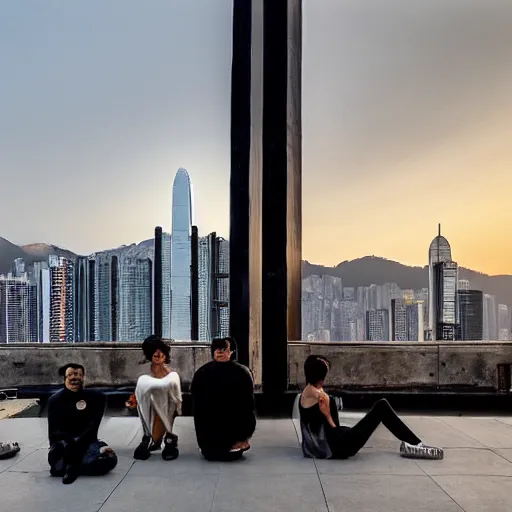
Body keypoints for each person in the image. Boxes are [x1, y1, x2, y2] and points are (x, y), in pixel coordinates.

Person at [299, 355, 444, 460]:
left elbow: (312, 426)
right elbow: (333, 430)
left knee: (356, 426)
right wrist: (329, 416)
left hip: (319, 448)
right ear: (321, 376)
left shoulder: (305, 393)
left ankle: (414, 443)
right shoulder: (322, 397)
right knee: (381, 406)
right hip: (339, 448)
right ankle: (417, 444)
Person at [47, 363, 118, 484]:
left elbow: (93, 429)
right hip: (65, 445)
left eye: (78, 375)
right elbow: (53, 433)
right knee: (57, 455)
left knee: (111, 459)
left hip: (87, 444)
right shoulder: (54, 400)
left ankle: (74, 468)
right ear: (65, 378)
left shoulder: (95, 397)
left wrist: (79, 445)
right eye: (70, 376)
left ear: (83, 377)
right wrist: (70, 443)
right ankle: (77, 466)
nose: (74, 379)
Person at [191, 337, 256, 461]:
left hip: (233, 441)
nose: (219, 352)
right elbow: (198, 411)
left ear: (231, 352)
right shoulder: (201, 374)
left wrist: (243, 437)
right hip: (209, 442)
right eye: (217, 348)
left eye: (224, 349)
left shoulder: (242, 373)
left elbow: (247, 408)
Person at [132, 335, 182, 461]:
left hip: (165, 407)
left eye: (161, 351)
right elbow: (139, 389)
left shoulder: (171, 374)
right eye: (155, 351)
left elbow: (176, 395)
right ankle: (148, 437)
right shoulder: (144, 372)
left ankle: (169, 438)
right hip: (149, 407)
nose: (158, 353)